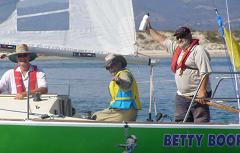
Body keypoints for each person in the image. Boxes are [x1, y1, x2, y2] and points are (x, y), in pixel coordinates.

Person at [146, 23, 212, 123]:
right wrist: (149, 29)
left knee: (200, 122)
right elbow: (162, 40)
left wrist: (202, 92)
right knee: (180, 122)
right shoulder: (178, 49)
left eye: (182, 36)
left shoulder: (198, 50)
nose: (179, 39)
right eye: (177, 37)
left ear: (189, 36)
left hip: (197, 96)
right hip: (181, 95)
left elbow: (205, 72)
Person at [91, 54, 141, 122]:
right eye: (108, 68)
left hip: (125, 111)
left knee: (95, 117)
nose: (110, 69)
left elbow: (126, 84)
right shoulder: (119, 74)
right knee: (95, 115)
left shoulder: (124, 74)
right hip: (118, 110)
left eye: (112, 66)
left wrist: (119, 81)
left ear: (119, 64)